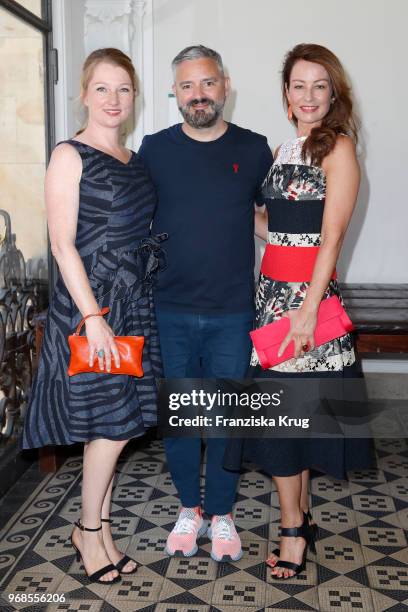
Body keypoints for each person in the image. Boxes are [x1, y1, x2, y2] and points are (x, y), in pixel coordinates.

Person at [224, 43, 373, 578]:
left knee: (282, 424)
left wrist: (307, 311)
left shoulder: (339, 150)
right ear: (286, 95)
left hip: (306, 308)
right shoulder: (288, 149)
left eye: (318, 86)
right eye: (297, 85)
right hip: (271, 304)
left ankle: (291, 532)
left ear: (333, 94)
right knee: (289, 420)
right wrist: (233, 219)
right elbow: (280, 231)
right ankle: (301, 517)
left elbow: (330, 241)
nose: (307, 96)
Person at [22, 48, 165, 584]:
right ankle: (87, 532)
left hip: (133, 302)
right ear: (84, 94)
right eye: (102, 88)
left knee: (121, 423)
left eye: (123, 89)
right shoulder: (69, 155)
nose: (113, 99)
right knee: (107, 424)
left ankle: (101, 530)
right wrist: (94, 317)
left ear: (134, 98)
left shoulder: (135, 160)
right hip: (92, 307)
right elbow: (63, 245)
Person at [139, 45, 273, 562]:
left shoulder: (255, 148)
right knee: (180, 419)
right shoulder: (153, 149)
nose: (199, 95)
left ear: (225, 85)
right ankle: (187, 509)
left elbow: (264, 219)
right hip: (169, 308)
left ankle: (221, 514)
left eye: (208, 83)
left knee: (224, 419)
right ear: (175, 92)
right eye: (188, 86)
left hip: (232, 311)